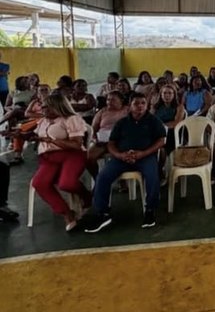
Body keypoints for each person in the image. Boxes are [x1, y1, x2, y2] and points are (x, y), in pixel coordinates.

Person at [81, 93, 166, 232]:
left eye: (143, 103)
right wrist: (119, 155)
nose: (140, 106)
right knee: (103, 176)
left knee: (152, 176)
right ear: (130, 106)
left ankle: (150, 210)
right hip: (122, 157)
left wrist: (143, 153)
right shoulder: (122, 123)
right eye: (136, 103)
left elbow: (161, 141)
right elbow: (111, 143)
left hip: (145, 156)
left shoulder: (153, 120)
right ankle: (102, 213)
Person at [29, 94, 91, 232]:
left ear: (57, 106)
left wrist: (53, 141)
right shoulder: (43, 121)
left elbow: (76, 144)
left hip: (72, 155)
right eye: (43, 107)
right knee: (39, 183)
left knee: (67, 183)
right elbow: (37, 136)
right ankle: (67, 214)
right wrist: (20, 135)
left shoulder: (71, 119)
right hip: (49, 157)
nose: (43, 109)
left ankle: (87, 196)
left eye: (46, 107)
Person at [86, 91, 129, 180]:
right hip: (103, 141)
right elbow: (93, 129)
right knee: (88, 157)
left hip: (121, 141)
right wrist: (95, 139)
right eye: (108, 100)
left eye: (113, 100)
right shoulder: (102, 111)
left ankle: (123, 182)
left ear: (121, 100)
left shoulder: (127, 110)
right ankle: (97, 179)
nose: (109, 102)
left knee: (121, 158)